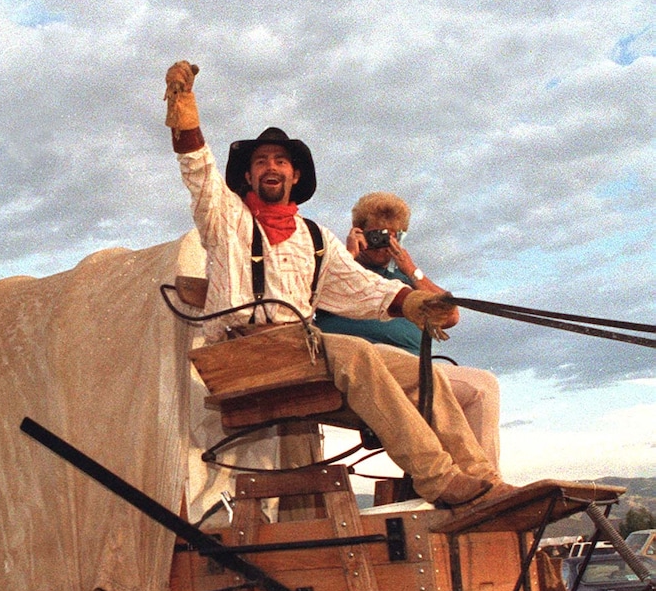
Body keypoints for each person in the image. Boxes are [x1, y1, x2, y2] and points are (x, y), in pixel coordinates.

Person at [164, 59, 516, 509]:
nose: (271, 166)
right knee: (356, 352)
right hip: (241, 354)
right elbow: (197, 171)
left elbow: (364, 289)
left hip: (298, 353)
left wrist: (414, 301)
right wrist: (185, 109)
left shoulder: (315, 238)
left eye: (281, 160)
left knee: (425, 374)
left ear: (294, 176)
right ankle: (438, 479)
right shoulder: (225, 219)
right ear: (248, 177)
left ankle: (484, 482)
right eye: (260, 161)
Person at [315, 192, 501, 469]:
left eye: (393, 237)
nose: (383, 244)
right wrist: (347, 256)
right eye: (376, 235)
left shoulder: (404, 280)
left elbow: (450, 316)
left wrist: (411, 270)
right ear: (360, 233)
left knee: (483, 385)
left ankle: (485, 485)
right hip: (360, 367)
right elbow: (307, 297)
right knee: (386, 354)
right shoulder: (336, 270)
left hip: (416, 368)